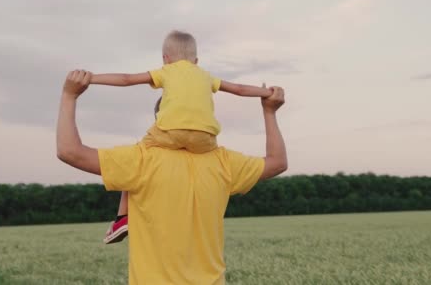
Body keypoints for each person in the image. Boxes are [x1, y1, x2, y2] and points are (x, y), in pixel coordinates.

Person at [57, 69, 287, 284]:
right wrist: (269, 112)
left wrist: (69, 96)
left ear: (160, 120)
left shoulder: (141, 159)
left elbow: (69, 151)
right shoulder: (224, 163)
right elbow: (277, 163)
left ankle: (122, 218)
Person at [89, 30, 273, 243]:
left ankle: (122, 218)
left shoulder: (166, 71)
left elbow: (126, 79)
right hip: (205, 139)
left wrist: (91, 78)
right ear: (196, 61)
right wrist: (266, 93)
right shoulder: (206, 75)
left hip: (170, 131)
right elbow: (239, 89)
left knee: (134, 160)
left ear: (165, 59)